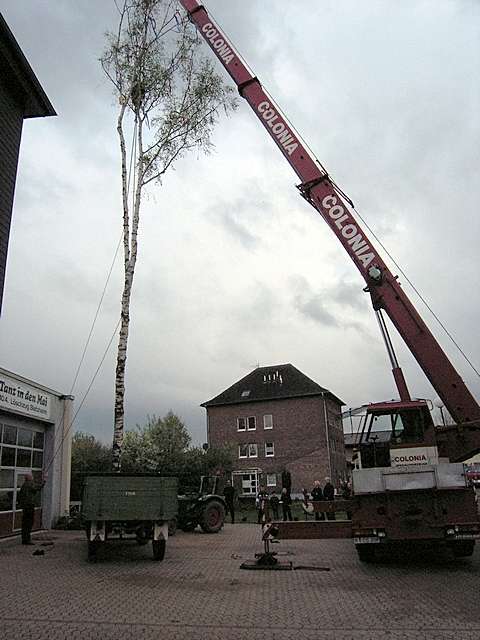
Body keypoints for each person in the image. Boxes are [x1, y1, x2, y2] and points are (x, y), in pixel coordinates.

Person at [17, 473, 45, 545]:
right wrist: (44, 481)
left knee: (25, 523)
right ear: (29, 478)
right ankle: (27, 540)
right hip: (29, 506)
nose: (32, 478)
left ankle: (24, 539)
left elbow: (20, 497)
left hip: (25, 506)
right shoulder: (29, 484)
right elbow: (38, 487)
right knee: (29, 523)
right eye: (32, 477)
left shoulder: (24, 485)